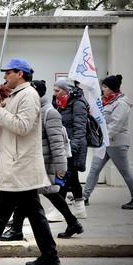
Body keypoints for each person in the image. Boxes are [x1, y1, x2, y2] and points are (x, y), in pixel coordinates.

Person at [0, 58, 60, 265]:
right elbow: (11, 128)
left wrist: (0, 112)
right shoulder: (16, 95)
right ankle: (50, 255)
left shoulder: (29, 95)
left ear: (19, 74)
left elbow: (23, 126)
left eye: (8, 73)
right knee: (33, 213)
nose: (5, 77)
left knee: (1, 212)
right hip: (17, 164)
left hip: (20, 165)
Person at [1, 80, 83, 241]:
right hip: (33, 161)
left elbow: (57, 143)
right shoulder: (35, 109)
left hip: (44, 163)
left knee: (38, 194)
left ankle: (17, 228)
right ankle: (72, 222)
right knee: (31, 195)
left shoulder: (49, 112)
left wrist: (61, 167)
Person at [83, 75, 133, 210]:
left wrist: (102, 138)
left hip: (117, 143)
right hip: (104, 143)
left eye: (104, 87)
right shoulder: (105, 101)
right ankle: (84, 197)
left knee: (125, 172)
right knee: (94, 169)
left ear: (112, 89)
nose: (102, 89)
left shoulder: (121, 103)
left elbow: (116, 124)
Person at [51, 79, 88, 221]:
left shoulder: (78, 103)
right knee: (73, 179)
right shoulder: (62, 103)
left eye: (57, 91)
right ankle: (79, 210)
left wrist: (71, 149)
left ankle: (59, 210)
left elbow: (80, 130)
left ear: (67, 91)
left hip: (74, 147)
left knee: (64, 178)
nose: (54, 94)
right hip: (66, 145)